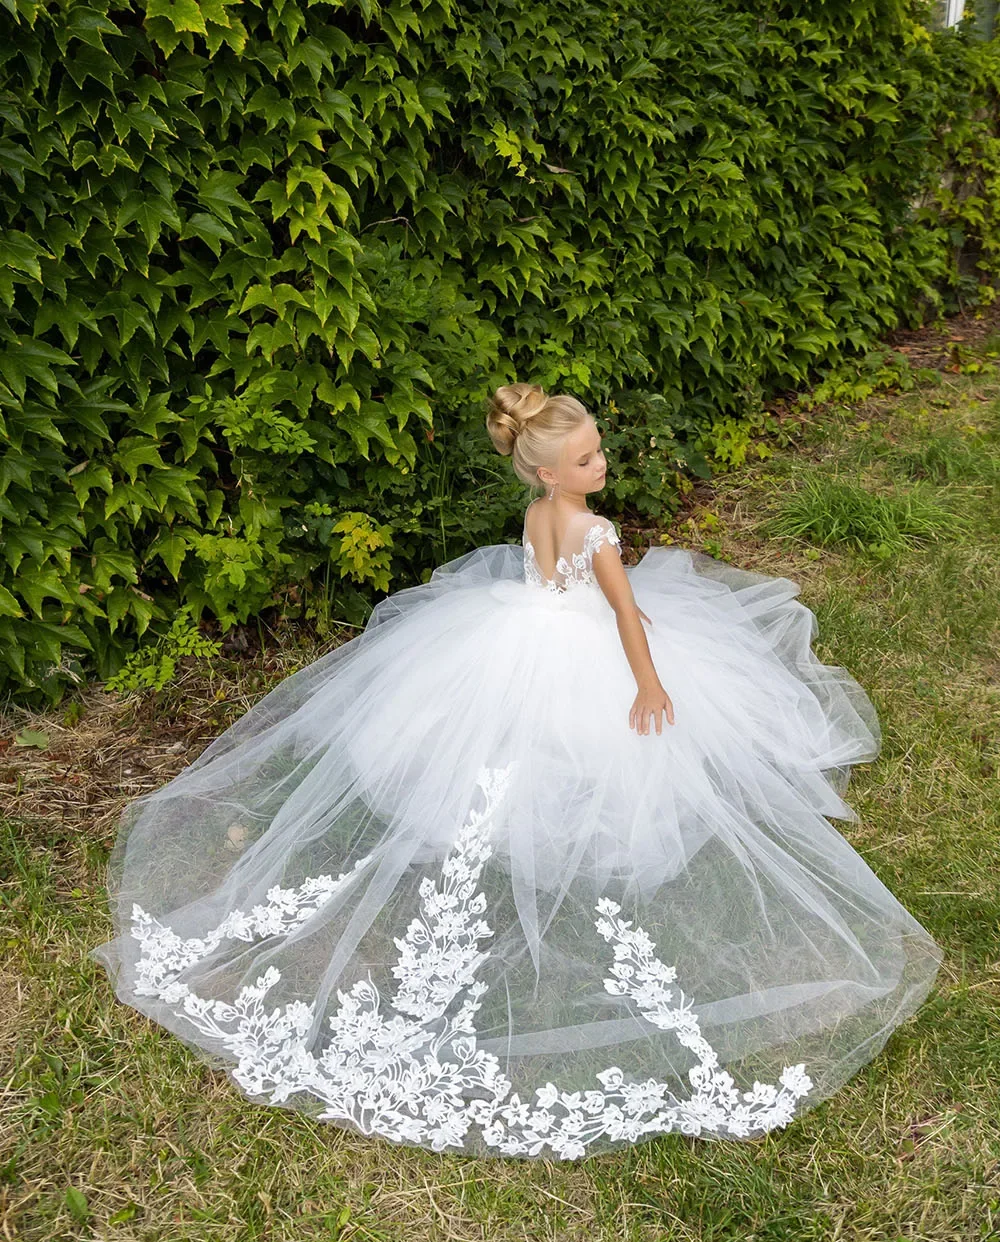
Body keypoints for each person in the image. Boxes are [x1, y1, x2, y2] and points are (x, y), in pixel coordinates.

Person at [91, 382, 942, 1162]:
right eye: (587, 458)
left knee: (508, 749)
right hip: (581, 648)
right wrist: (648, 681)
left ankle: (512, 826)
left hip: (516, 636)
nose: (602, 464)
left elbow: (547, 580)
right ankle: (559, 837)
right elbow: (622, 616)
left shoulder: (541, 511)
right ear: (546, 469)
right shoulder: (596, 531)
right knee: (591, 750)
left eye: (599, 451)